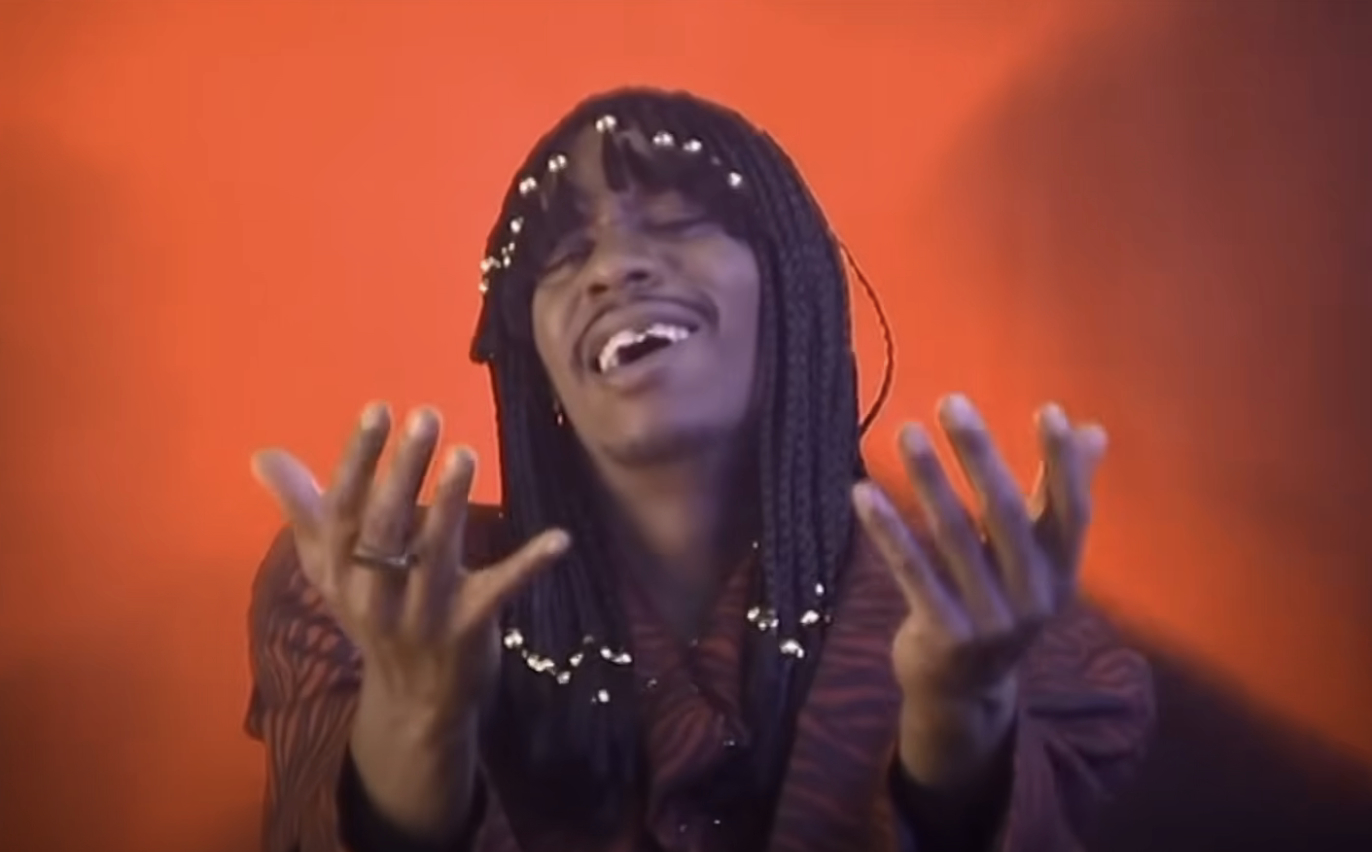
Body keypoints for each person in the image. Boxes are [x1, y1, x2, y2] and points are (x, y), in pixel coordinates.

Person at [244, 87, 1154, 852]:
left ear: (796, 290)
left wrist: (962, 720)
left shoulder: (993, 619)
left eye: (677, 222)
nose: (616, 268)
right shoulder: (373, 600)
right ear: (535, 362)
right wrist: (413, 720)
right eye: (563, 254)